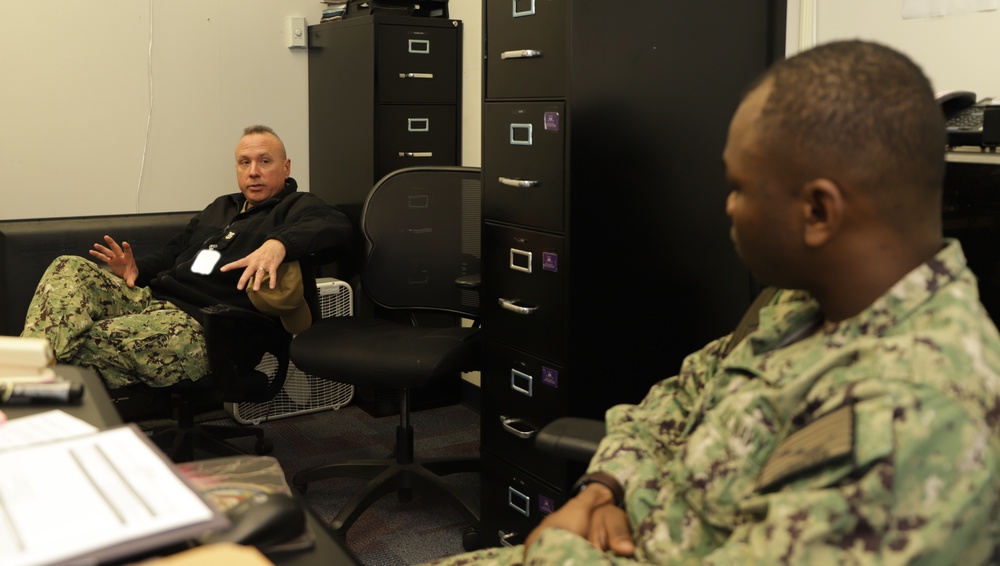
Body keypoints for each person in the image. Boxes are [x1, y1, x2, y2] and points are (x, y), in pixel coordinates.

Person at [430, 40, 1000, 565]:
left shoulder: (913, 416)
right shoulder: (804, 305)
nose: (727, 208)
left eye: (740, 188)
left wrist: (557, 546)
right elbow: (686, 392)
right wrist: (607, 489)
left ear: (819, 212)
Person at [21, 125, 352, 389]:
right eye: (244, 162)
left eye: (265, 161)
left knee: (84, 339)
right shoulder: (221, 207)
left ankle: (19, 383)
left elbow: (338, 229)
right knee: (68, 265)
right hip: (154, 300)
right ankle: (24, 373)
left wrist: (279, 244)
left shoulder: (298, 207)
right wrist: (135, 268)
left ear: (286, 166)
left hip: (206, 327)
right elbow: (172, 253)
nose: (253, 171)